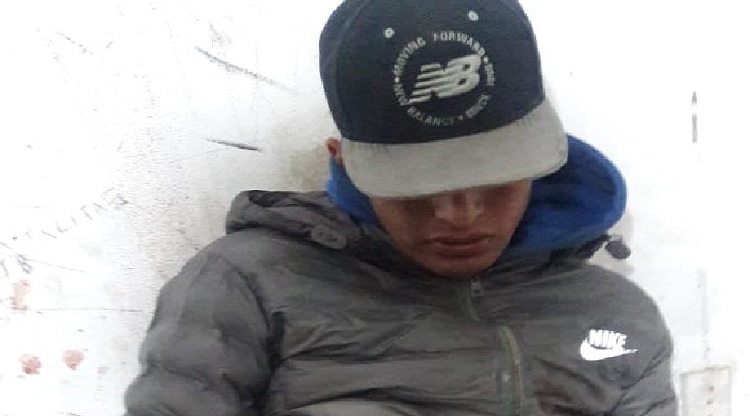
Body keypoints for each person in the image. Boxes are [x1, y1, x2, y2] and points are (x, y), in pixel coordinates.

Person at [124, 0, 676, 414]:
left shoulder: (617, 316)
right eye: (418, 186)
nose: (459, 215)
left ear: (543, 163)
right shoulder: (249, 284)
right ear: (343, 162)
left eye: (494, 181)